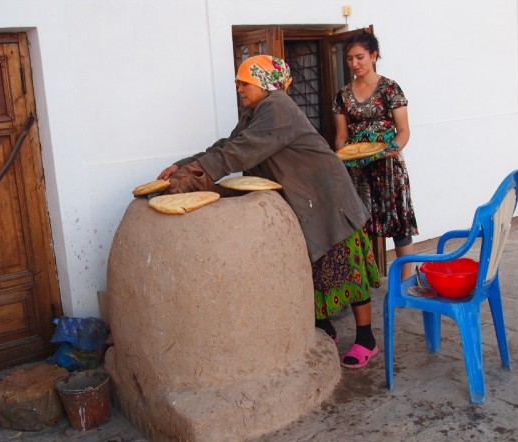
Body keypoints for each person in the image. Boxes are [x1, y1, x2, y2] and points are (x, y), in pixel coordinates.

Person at [157, 55, 380, 368]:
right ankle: (325, 327)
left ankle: (366, 338)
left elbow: (241, 151)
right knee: (312, 268)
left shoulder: (278, 106)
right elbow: (229, 143)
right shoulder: (255, 113)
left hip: (328, 195)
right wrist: (183, 165)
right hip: (306, 197)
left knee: (346, 267)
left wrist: (194, 175)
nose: (238, 88)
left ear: (264, 82)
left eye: (243, 82)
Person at [333, 33, 419, 282]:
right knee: (361, 225)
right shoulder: (342, 95)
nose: (354, 63)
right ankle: (365, 282)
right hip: (358, 169)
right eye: (349, 58)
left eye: (360, 57)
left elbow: (404, 131)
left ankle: (406, 280)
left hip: (388, 167)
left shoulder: (390, 88)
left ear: (373, 56)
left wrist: (391, 149)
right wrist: (346, 158)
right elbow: (341, 136)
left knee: (398, 225)